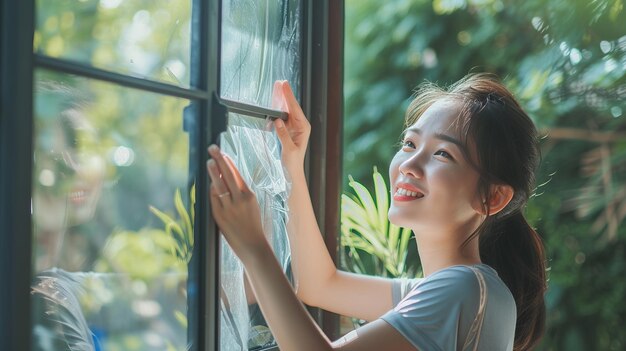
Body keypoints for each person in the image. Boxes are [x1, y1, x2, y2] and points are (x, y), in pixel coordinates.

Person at [207, 73, 547, 351]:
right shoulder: (465, 290)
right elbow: (319, 285)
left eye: (443, 154)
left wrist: (254, 248)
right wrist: (293, 164)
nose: (409, 165)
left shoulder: (464, 288)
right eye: (410, 144)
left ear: (492, 197)